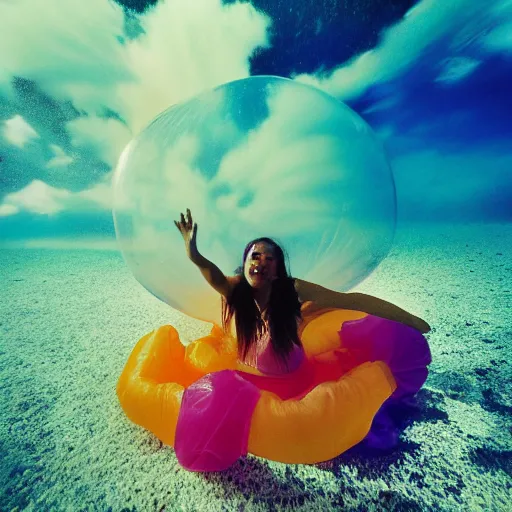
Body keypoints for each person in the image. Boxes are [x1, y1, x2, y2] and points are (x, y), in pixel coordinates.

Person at [175, 208, 431, 375]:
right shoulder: (236, 289)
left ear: (277, 270)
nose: (260, 262)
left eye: (269, 258)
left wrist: (409, 320)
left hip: (290, 368)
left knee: (318, 309)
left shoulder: (291, 288)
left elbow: (350, 300)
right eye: (255, 256)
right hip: (250, 369)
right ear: (244, 265)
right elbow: (213, 274)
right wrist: (194, 255)